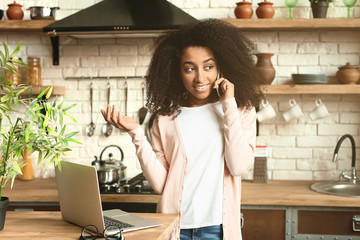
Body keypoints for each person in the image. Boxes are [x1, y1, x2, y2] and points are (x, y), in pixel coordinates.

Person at [101, 19, 263, 240]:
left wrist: (228, 104)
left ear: (220, 67)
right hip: (174, 229)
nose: (200, 77)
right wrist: (136, 133)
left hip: (218, 229)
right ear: (177, 71)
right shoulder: (166, 118)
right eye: (189, 68)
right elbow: (160, 185)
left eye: (208, 66)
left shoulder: (240, 110)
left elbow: (238, 166)